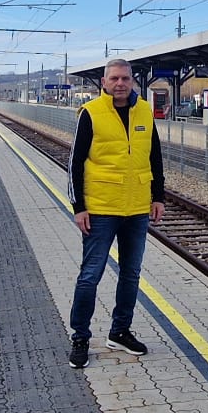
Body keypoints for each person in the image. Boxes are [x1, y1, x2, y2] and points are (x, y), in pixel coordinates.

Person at [67, 59, 165, 369]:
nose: (120, 83)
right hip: (100, 208)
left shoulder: (145, 111)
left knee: (131, 273)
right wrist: (78, 207)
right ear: (104, 81)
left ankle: (120, 331)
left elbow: (155, 155)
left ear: (133, 81)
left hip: (136, 206)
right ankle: (80, 337)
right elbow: (75, 162)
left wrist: (158, 196)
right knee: (90, 274)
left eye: (125, 78)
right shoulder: (91, 113)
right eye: (114, 78)